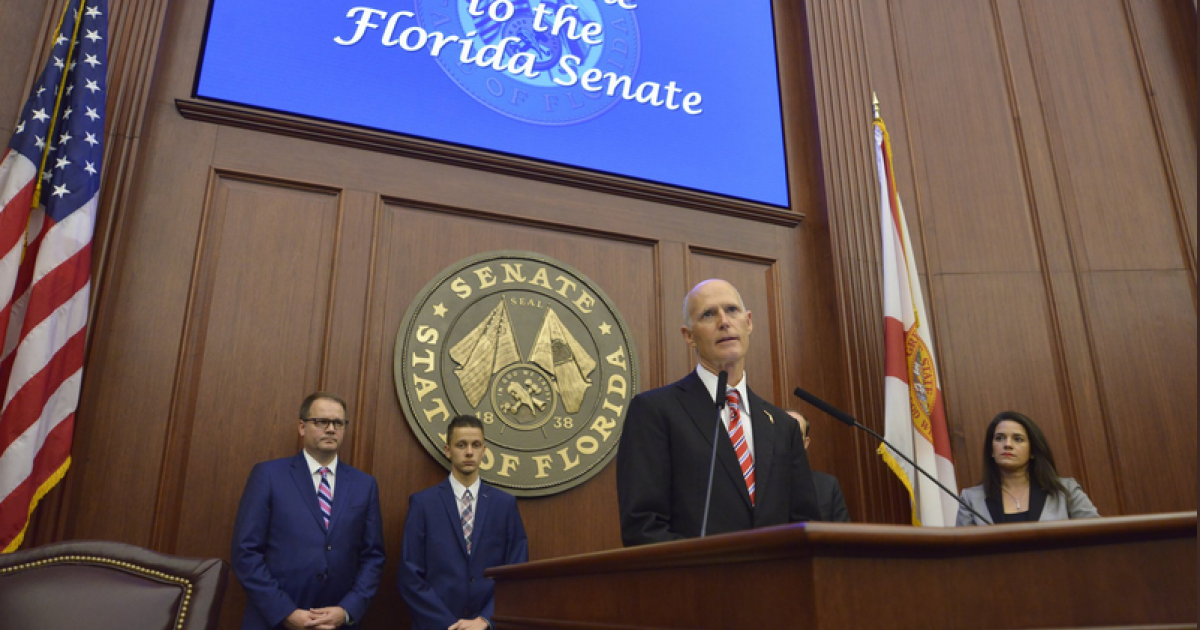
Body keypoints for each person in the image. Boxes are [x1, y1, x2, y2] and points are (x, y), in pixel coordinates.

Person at [616, 279, 820, 546]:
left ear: (748, 322)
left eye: (732, 310)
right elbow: (643, 526)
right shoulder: (655, 412)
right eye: (708, 314)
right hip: (697, 583)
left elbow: (805, 524)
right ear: (688, 336)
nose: (724, 321)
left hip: (776, 584)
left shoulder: (782, 426)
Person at [232, 392, 385, 630]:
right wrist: (285, 612)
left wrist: (347, 610)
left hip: (336, 623)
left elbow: (373, 557)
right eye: (322, 422)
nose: (331, 429)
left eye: (338, 423)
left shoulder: (364, 485)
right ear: (302, 427)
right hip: (274, 621)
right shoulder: (269, 476)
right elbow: (246, 552)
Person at [398, 415, 529, 630]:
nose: (469, 452)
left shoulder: (504, 505)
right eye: (461, 445)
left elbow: (517, 572)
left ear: (484, 450)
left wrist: (485, 620)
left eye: (476, 445)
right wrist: (449, 625)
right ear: (448, 450)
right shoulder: (423, 504)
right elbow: (409, 576)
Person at [957, 410, 1100, 525]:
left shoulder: (1066, 491)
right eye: (999, 438)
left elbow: (1098, 535)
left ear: (1032, 451)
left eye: (1018, 439)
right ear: (991, 451)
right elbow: (962, 555)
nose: (1007, 444)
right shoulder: (971, 499)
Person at [786, 410, 850, 522]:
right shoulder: (756, 482)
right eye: (785, 432)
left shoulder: (828, 486)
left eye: (796, 434)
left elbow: (843, 535)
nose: (789, 439)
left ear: (805, 443)